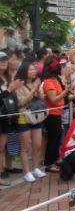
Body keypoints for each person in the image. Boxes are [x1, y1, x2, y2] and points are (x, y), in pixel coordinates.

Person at [15, 60, 46, 182]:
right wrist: (33, 90)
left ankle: (35, 168)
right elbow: (21, 102)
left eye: (34, 69)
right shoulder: (19, 85)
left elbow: (42, 98)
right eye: (30, 69)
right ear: (24, 71)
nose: (34, 71)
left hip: (36, 116)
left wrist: (38, 89)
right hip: (24, 116)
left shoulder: (37, 83)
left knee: (37, 145)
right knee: (25, 146)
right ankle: (26, 172)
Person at [42, 56, 73, 173]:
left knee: (56, 138)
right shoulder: (49, 82)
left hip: (58, 112)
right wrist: (65, 92)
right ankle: (49, 162)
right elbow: (53, 99)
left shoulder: (55, 80)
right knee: (53, 139)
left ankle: (54, 160)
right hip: (52, 114)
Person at [0, 51, 23, 186]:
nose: (3, 62)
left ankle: (2, 170)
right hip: (1, 116)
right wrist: (9, 90)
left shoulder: (8, 78)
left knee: (2, 148)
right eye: (1, 60)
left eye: (5, 60)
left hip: (6, 117)